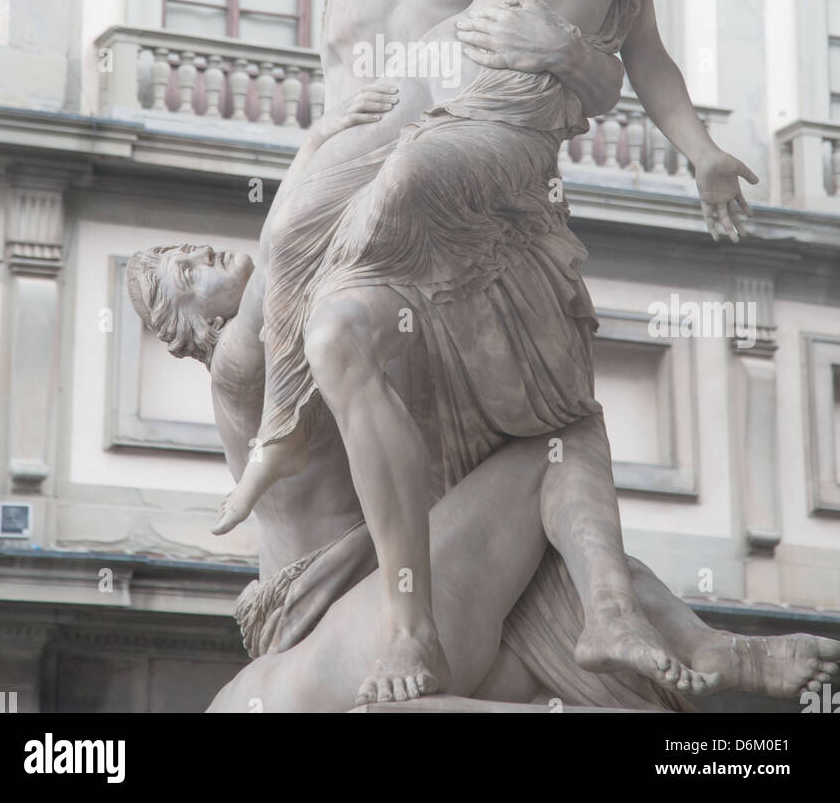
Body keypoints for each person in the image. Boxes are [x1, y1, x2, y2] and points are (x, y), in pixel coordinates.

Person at [215, 0, 761, 707]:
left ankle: (630, 624)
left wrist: (702, 154)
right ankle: (322, 463)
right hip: (454, 135)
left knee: (387, 201)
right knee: (322, 272)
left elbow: (653, 66)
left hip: (503, 158)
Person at [126, 243, 840, 712]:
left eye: (193, 255)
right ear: (194, 331)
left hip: (380, 631)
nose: (207, 256)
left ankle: (682, 643)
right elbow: (286, 249)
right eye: (189, 274)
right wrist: (341, 143)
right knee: (552, 451)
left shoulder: (262, 694)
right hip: (383, 621)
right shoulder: (236, 374)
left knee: (557, 571)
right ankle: (637, 623)